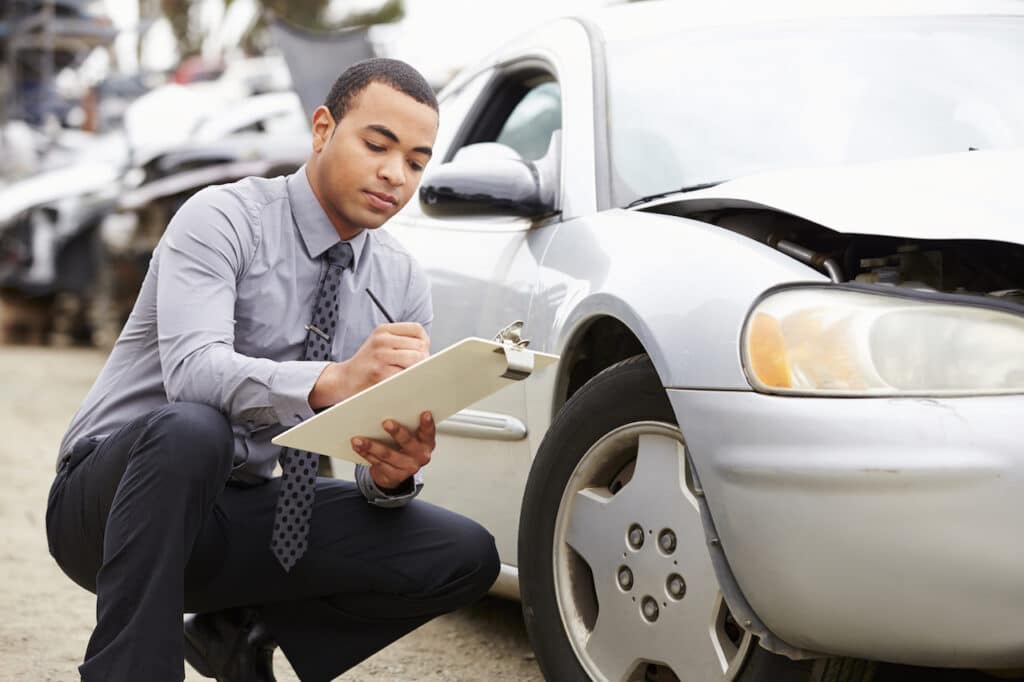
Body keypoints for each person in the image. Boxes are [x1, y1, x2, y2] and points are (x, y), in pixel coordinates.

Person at [45, 58, 501, 682]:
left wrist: (391, 473)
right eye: (377, 145)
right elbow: (193, 375)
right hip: (107, 506)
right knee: (192, 431)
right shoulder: (222, 219)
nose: (395, 174)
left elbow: (368, 442)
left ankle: (235, 633)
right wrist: (330, 382)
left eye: (417, 162)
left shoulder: (400, 282)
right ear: (322, 130)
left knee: (463, 553)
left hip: (243, 514)